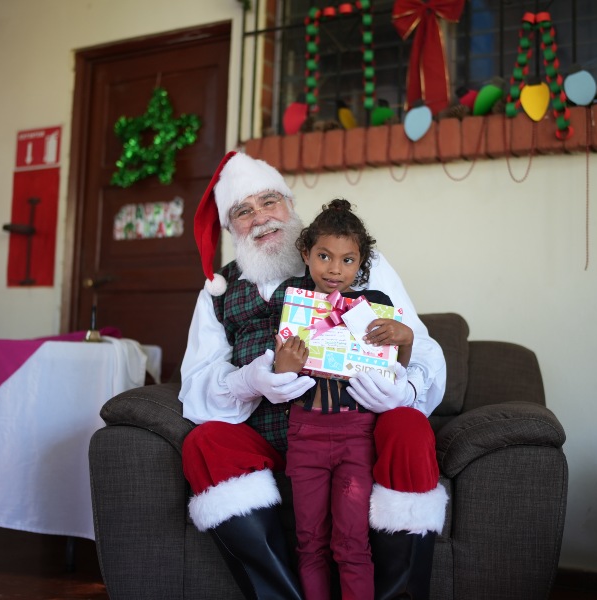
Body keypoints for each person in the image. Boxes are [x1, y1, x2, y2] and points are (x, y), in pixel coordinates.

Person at [180, 150, 447, 600]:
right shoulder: (217, 293)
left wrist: (400, 387)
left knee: (409, 426)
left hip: (356, 433)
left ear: (290, 205)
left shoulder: (356, 263)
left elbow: (423, 347)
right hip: (273, 443)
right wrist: (248, 381)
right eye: (243, 211)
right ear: (231, 228)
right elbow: (194, 388)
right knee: (203, 444)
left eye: (269, 201)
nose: (261, 218)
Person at [274, 198, 414, 600]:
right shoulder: (294, 304)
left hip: (356, 433)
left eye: (348, 260)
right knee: (310, 541)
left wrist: (407, 339)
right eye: (324, 256)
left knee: (352, 542)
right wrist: (284, 366)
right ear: (306, 254)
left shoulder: (374, 307)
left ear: (361, 262)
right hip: (305, 433)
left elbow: (393, 371)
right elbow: (282, 378)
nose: (335, 269)